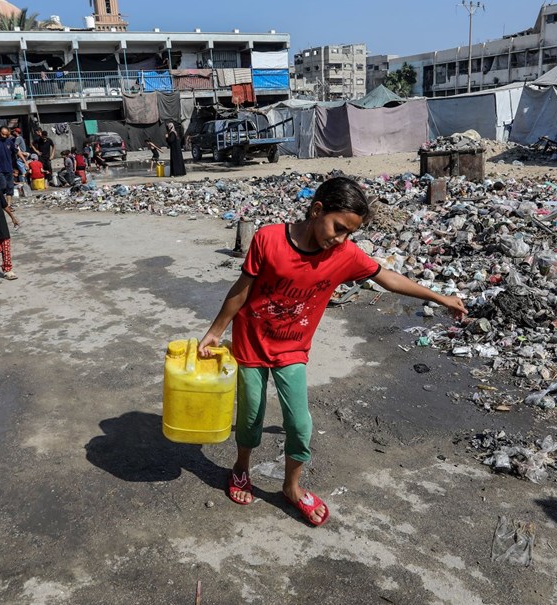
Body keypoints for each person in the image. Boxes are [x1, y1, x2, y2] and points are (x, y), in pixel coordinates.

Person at [197, 177, 467, 527]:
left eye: (348, 234)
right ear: (317, 209)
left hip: (292, 348)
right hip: (251, 342)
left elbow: (387, 277)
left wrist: (439, 297)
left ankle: (291, 487)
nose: (340, 239)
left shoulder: (344, 255)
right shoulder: (269, 239)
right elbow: (241, 289)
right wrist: (216, 331)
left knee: (300, 423)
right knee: (251, 418)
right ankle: (241, 467)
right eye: (338, 228)